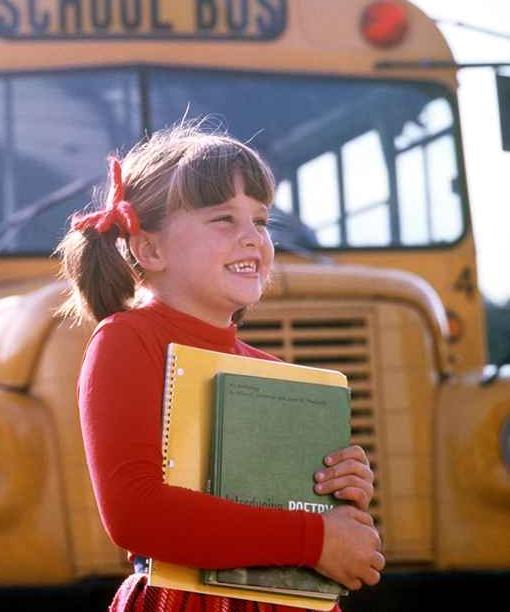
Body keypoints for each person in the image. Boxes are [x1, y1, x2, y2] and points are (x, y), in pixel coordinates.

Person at [56, 120, 384, 612]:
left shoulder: (271, 370)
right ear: (150, 248)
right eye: (224, 219)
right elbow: (136, 514)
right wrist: (313, 538)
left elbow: (288, 509)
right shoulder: (127, 340)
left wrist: (340, 490)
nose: (253, 237)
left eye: (261, 221)